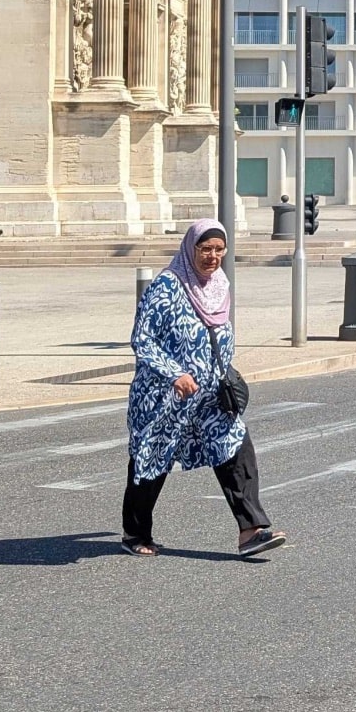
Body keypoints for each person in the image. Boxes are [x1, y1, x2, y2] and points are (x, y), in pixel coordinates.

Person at [122, 219, 285, 558]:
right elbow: (143, 339)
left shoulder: (218, 285)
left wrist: (224, 371)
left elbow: (217, 334)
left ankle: (251, 530)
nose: (212, 256)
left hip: (209, 396)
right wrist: (174, 374)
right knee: (151, 461)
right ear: (190, 249)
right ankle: (135, 532)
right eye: (205, 249)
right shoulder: (167, 286)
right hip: (164, 398)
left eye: (218, 250)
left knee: (235, 447)